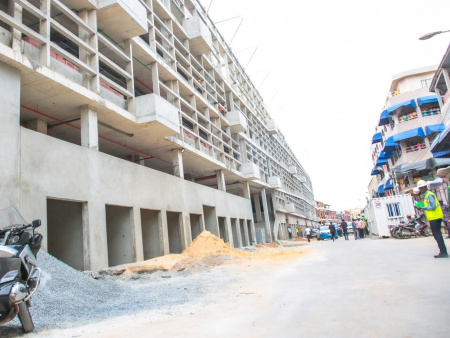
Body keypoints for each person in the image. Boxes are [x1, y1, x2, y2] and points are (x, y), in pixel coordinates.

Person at [416, 180, 448, 258]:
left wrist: (423, 208)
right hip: (434, 218)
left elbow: (433, 206)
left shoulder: (429, 195)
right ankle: (443, 251)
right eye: (419, 188)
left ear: (425, 187)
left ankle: (443, 252)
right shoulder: (427, 195)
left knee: (437, 235)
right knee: (437, 235)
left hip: (435, 217)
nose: (420, 190)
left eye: (421, 188)